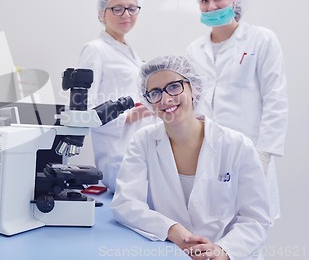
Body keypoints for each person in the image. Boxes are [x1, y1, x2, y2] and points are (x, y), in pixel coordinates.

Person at [111, 55, 270, 260]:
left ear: (193, 88)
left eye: (174, 87)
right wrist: (173, 230)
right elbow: (125, 202)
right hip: (173, 253)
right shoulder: (143, 141)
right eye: (155, 92)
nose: (166, 99)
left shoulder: (237, 146)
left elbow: (256, 219)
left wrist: (223, 250)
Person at [186, 0, 288, 224]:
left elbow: (275, 98)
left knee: (249, 228)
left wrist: (264, 154)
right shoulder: (193, 50)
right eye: (204, 1)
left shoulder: (261, 39)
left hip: (251, 150)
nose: (211, 6)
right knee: (210, 228)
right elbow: (191, 102)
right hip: (206, 152)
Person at [77, 0, 153, 191]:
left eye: (131, 8)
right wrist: (131, 115)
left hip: (138, 146)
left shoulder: (129, 52)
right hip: (116, 152)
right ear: (102, 13)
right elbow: (84, 111)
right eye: (117, 9)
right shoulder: (95, 50)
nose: (126, 15)